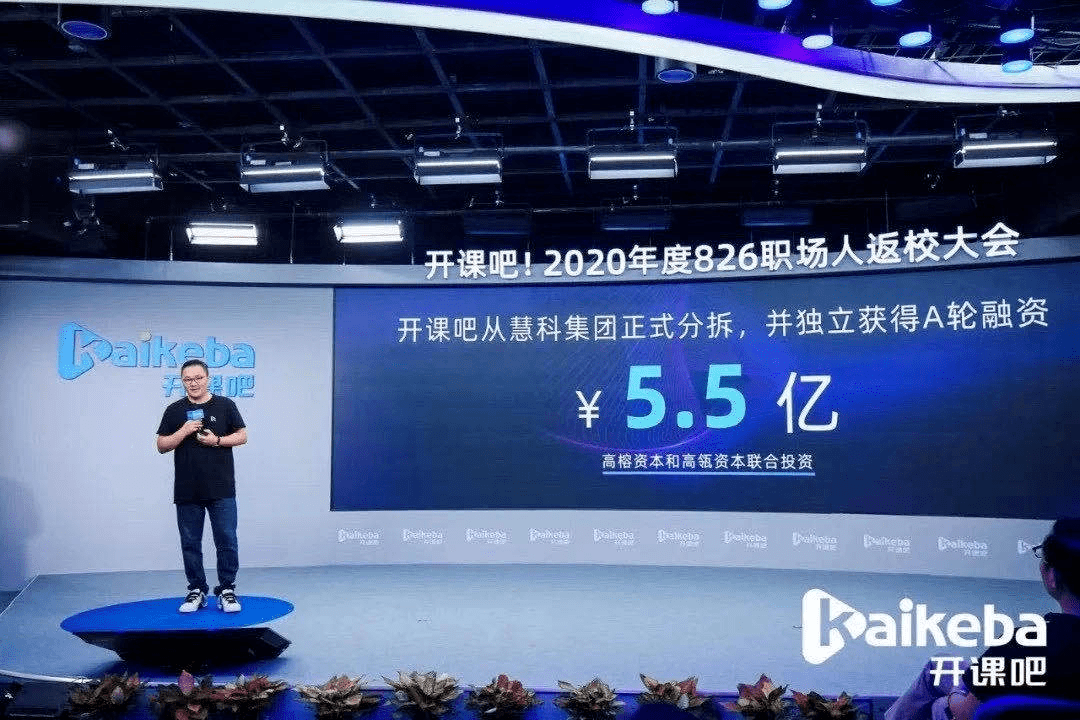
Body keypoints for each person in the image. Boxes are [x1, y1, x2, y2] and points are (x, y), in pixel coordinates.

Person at [885, 518, 1080, 720]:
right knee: (941, 666)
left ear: (1052, 577)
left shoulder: (1021, 644)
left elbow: (966, 714)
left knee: (939, 703)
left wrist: (955, 693)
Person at [156, 359, 248, 613]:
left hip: (222, 488)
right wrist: (184, 431)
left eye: (198, 378)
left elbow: (243, 435)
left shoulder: (226, 405)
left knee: (227, 540)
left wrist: (217, 440)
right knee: (190, 543)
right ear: (182, 382)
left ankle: (227, 589)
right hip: (187, 489)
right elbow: (161, 445)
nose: (193, 383)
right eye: (188, 379)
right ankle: (196, 590)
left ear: (208, 379)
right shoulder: (174, 410)